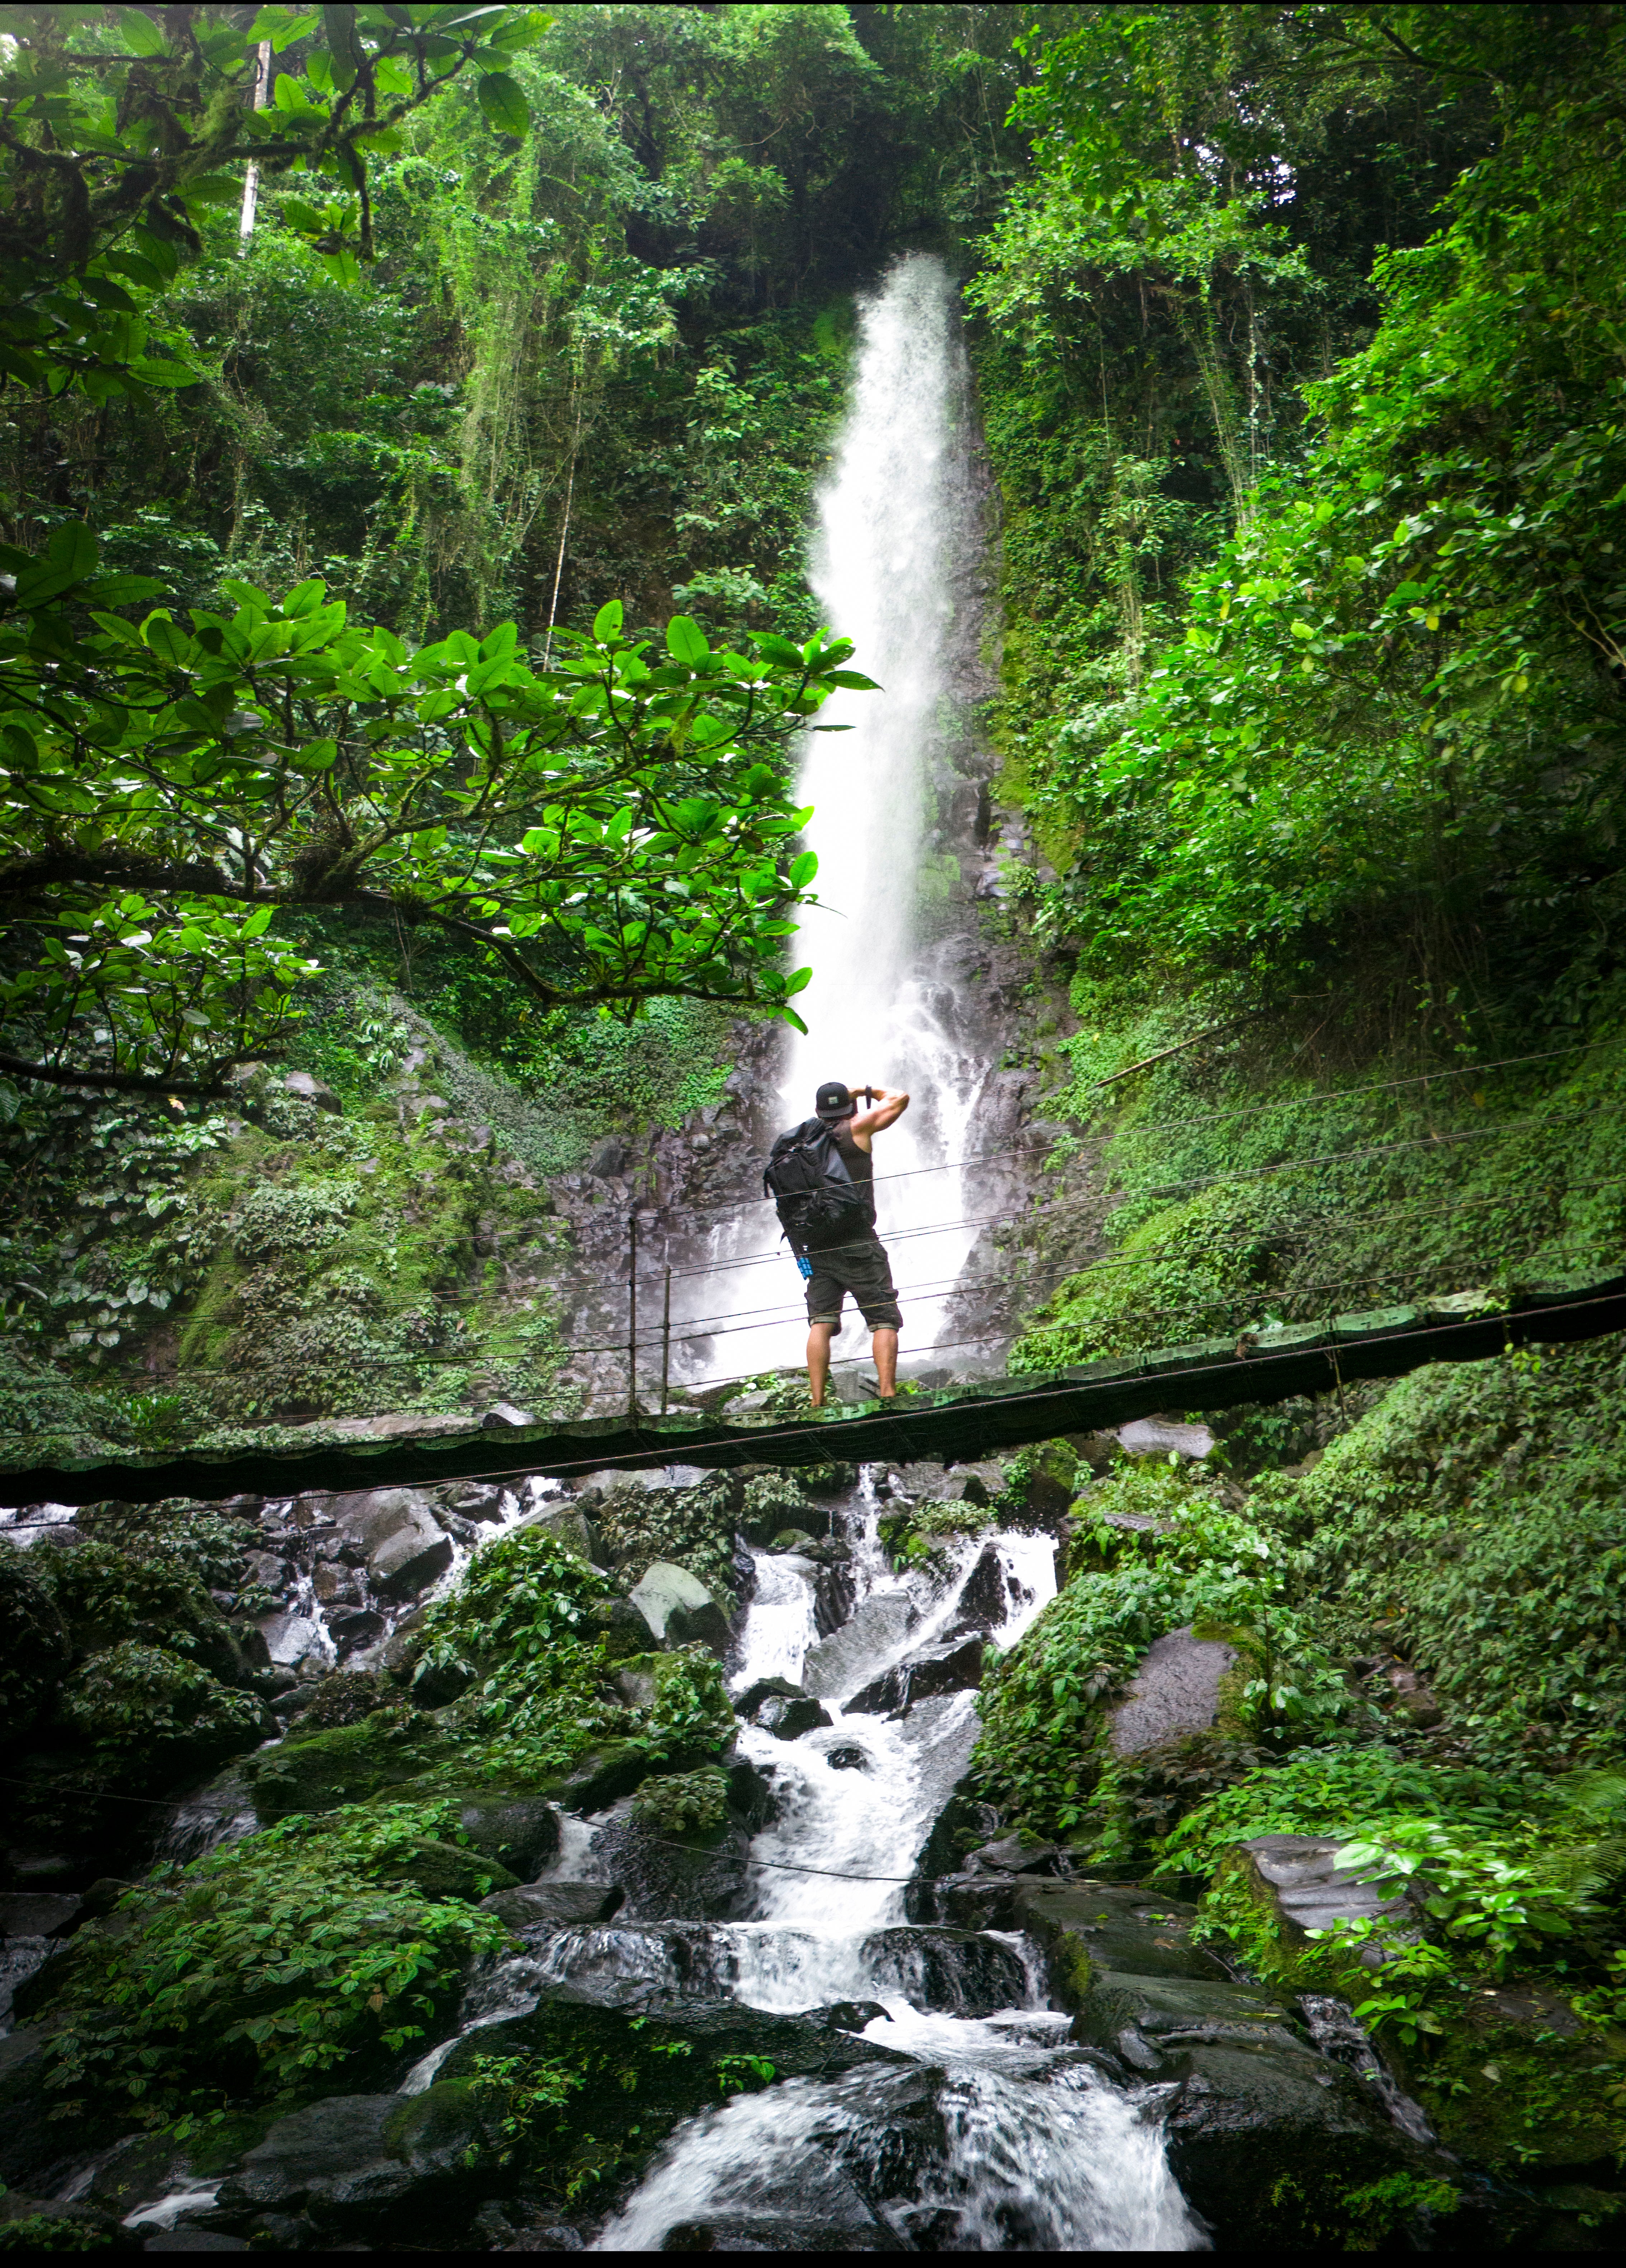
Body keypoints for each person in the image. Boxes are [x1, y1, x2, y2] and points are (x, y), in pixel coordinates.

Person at [803, 1077, 909, 1407]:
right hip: (859, 1240)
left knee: (821, 1321)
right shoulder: (857, 1129)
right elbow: (899, 1098)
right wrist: (863, 1092)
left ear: (818, 1111)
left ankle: (817, 1401)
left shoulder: (802, 1142)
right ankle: (888, 1395)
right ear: (848, 1109)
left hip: (818, 1244)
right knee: (883, 1319)